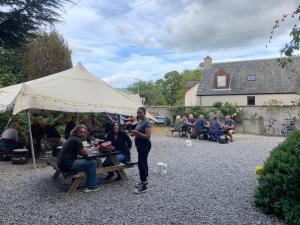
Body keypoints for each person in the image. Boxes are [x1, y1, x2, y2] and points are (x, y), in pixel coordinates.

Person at [57, 124, 100, 193]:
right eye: (80, 132)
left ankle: (76, 183)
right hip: (66, 165)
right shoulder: (76, 140)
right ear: (76, 131)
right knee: (92, 162)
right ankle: (90, 186)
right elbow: (86, 153)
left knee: (85, 160)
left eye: (84, 132)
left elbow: (81, 152)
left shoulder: (72, 138)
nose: (82, 134)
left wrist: (85, 150)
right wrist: (92, 150)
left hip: (61, 163)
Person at [130, 107, 152, 194]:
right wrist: (134, 134)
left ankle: (144, 185)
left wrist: (137, 133)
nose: (138, 114)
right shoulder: (139, 121)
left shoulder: (147, 123)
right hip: (139, 144)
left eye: (140, 112)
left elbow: (148, 136)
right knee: (144, 162)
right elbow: (137, 132)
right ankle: (144, 180)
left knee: (141, 163)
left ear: (144, 113)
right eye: (137, 112)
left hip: (145, 144)